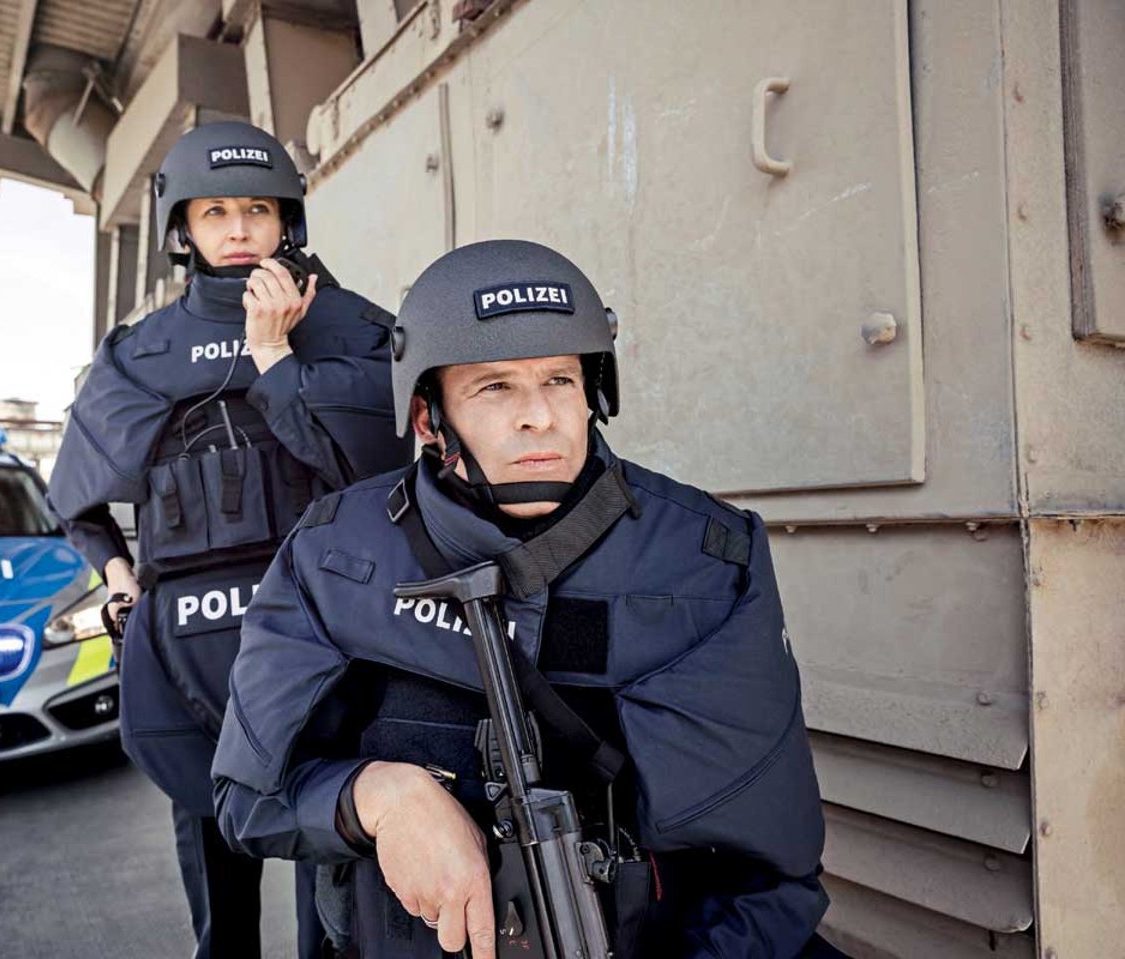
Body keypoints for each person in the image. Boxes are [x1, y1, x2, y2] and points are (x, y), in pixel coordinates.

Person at [212, 239, 839, 957]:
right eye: (495, 387)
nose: (539, 416)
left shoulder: (703, 558)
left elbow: (770, 877)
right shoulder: (334, 552)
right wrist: (376, 797)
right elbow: (246, 798)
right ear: (428, 417)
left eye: (559, 380)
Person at [48, 120, 411, 959]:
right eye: (214, 212)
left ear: (287, 218)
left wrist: (274, 352)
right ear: (182, 226)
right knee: (218, 890)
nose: (239, 228)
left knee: (340, 886)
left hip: (340, 652)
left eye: (257, 209)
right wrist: (119, 579)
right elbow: (78, 502)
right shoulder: (138, 355)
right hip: (191, 660)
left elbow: (382, 470)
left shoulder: (358, 329)